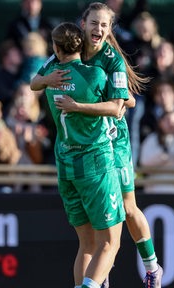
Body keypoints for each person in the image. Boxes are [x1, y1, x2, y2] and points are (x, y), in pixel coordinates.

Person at [31, 3, 163, 287]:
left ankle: (152, 268)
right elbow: (35, 81)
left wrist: (86, 101)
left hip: (114, 140)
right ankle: (99, 280)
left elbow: (126, 102)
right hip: (88, 145)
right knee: (96, 235)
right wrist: (47, 80)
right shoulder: (69, 49)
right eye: (94, 23)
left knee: (127, 209)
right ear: (84, 23)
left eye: (105, 25)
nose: (99, 29)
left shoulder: (111, 59)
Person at [31, 22, 125, 288]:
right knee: (110, 242)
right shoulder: (96, 75)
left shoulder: (50, 74)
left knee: (87, 244)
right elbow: (120, 105)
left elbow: (33, 83)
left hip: (66, 164)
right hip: (95, 163)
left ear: (56, 49)